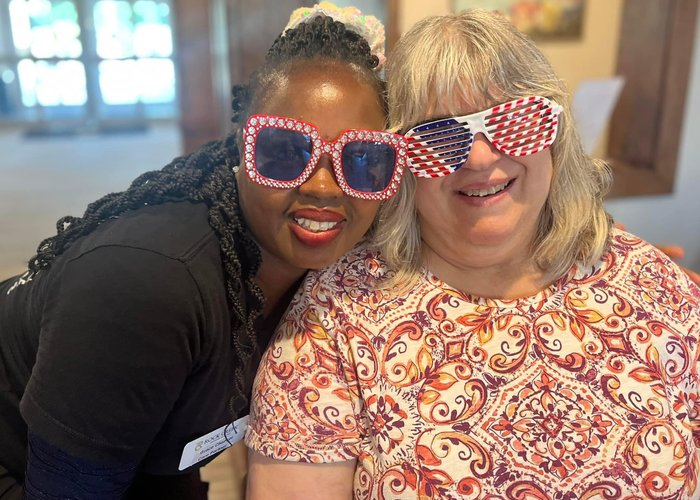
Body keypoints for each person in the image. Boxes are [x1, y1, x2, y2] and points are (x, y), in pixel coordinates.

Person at [246, 9, 700, 499]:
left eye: (515, 121)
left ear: (554, 134)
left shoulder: (655, 282)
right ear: (397, 165)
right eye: (439, 137)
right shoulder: (333, 320)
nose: (482, 158)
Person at [0, 3, 407, 498]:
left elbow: (172, 453)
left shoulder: (332, 272)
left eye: (362, 159)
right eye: (285, 151)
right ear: (241, 149)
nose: (324, 187)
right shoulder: (148, 287)